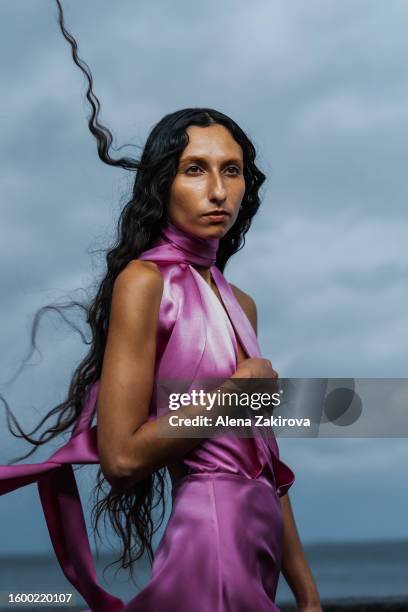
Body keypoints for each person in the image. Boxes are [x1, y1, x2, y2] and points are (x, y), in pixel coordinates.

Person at [0, 2, 322, 610]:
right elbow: (121, 458)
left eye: (232, 171)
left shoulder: (239, 304)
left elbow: (268, 466)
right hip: (213, 545)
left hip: (261, 553)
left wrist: (308, 596)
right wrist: (229, 396)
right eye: (194, 169)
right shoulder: (145, 283)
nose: (219, 190)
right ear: (162, 183)